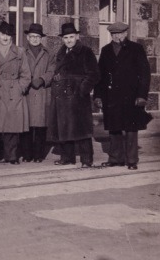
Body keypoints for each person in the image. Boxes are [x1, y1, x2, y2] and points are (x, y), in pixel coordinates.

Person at [94, 22, 151, 170]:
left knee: (131, 128)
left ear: (125, 33)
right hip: (111, 95)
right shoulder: (106, 50)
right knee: (114, 127)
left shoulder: (136, 49)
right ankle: (115, 158)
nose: (116, 36)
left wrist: (141, 95)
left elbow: (144, 75)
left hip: (131, 96)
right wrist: (98, 96)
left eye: (119, 33)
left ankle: (131, 160)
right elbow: (100, 76)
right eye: (113, 34)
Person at [48, 23, 100, 168]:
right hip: (62, 96)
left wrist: (82, 89)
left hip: (78, 97)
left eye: (71, 37)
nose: (69, 40)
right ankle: (67, 158)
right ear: (62, 39)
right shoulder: (61, 52)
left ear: (77, 36)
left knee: (82, 130)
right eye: (66, 37)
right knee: (64, 128)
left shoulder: (85, 52)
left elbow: (94, 75)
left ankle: (86, 160)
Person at [0, 22, 30, 164]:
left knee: (12, 126)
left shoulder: (19, 52)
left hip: (14, 92)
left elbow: (26, 74)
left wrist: (20, 88)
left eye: (8, 35)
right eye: (3, 34)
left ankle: (11, 156)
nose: (5, 37)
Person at [21, 23, 55, 163]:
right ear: (28, 38)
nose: (35, 39)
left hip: (42, 92)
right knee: (26, 125)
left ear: (41, 38)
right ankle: (27, 154)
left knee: (40, 126)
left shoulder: (49, 53)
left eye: (37, 36)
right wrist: (28, 81)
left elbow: (52, 69)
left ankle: (39, 155)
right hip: (27, 92)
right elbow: (19, 69)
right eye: (32, 36)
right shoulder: (22, 52)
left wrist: (42, 79)